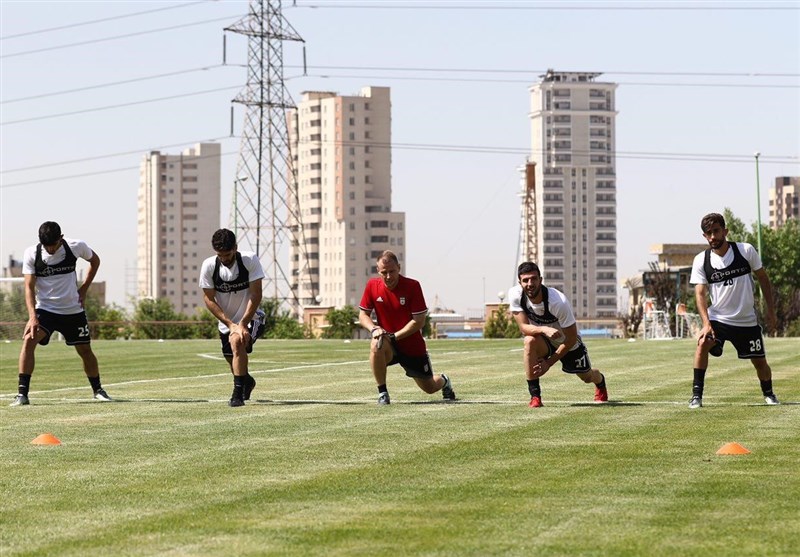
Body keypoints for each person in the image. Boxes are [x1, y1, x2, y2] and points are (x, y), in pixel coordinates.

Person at [11, 221, 112, 406]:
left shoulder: (76, 246)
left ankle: (98, 390)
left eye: (53, 245)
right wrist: (32, 317)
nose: (50, 249)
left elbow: (95, 261)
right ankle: (22, 394)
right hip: (46, 311)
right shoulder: (32, 253)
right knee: (28, 340)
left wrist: (84, 289)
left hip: (73, 311)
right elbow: (28, 287)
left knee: (85, 350)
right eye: (46, 246)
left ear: (61, 238)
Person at [688, 212, 779, 409]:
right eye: (708, 233)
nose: (712, 236)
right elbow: (700, 294)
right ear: (704, 236)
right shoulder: (701, 261)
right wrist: (706, 323)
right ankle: (696, 396)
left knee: (760, 362)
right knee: (703, 342)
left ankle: (769, 394)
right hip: (718, 319)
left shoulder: (745, 251)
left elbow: (763, 278)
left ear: (725, 231)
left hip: (746, 321)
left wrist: (771, 311)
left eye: (716, 231)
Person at [358, 250, 456, 405]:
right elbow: (363, 315)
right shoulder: (371, 285)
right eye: (384, 272)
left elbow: (418, 322)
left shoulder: (412, 286)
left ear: (399, 267)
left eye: (392, 271)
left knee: (429, 387)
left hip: (411, 345)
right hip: (388, 343)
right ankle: (382, 393)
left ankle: (444, 381)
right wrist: (374, 329)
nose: (388, 276)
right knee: (376, 343)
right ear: (378, 271)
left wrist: (394, 336)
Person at [508, 261, 608, 408]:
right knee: (529, 341)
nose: (530, 283)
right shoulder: (515, 295)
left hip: (568, 342)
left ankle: (600, 381)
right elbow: (524, 327)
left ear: (541, 280)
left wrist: (548, 363)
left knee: (586, 377)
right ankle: (535, 396)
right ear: (520, 282)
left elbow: (571, 338)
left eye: (534, 279)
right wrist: (543, 330)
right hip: (544, 339)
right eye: (525, 280)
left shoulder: (558, 302)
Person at [199, 228, 266, 407]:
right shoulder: (209, 266)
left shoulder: (249, 260)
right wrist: (230, 324)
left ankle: (237, 395)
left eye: (228, 254)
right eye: (220, 255)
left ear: (235, 248)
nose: (224, 259)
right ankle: (247, 382)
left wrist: (242, 323)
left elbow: (256, 294)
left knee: (237, 343)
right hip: (227, 323)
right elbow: (208, 298)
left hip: (252, 317)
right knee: (232, 358)